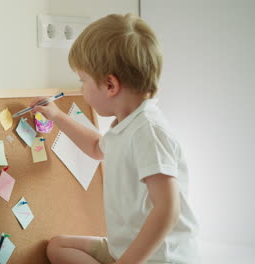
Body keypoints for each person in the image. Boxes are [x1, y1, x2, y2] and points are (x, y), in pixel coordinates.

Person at [31, 13, 199, 264]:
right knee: (57, 247)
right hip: (123, 248)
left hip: (157, 258)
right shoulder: (125, 125)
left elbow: (167, 210)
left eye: (83, 80)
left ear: (110, 85)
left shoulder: (148, 131)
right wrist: (55, 116)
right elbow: (96, 147)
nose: (81, 89)